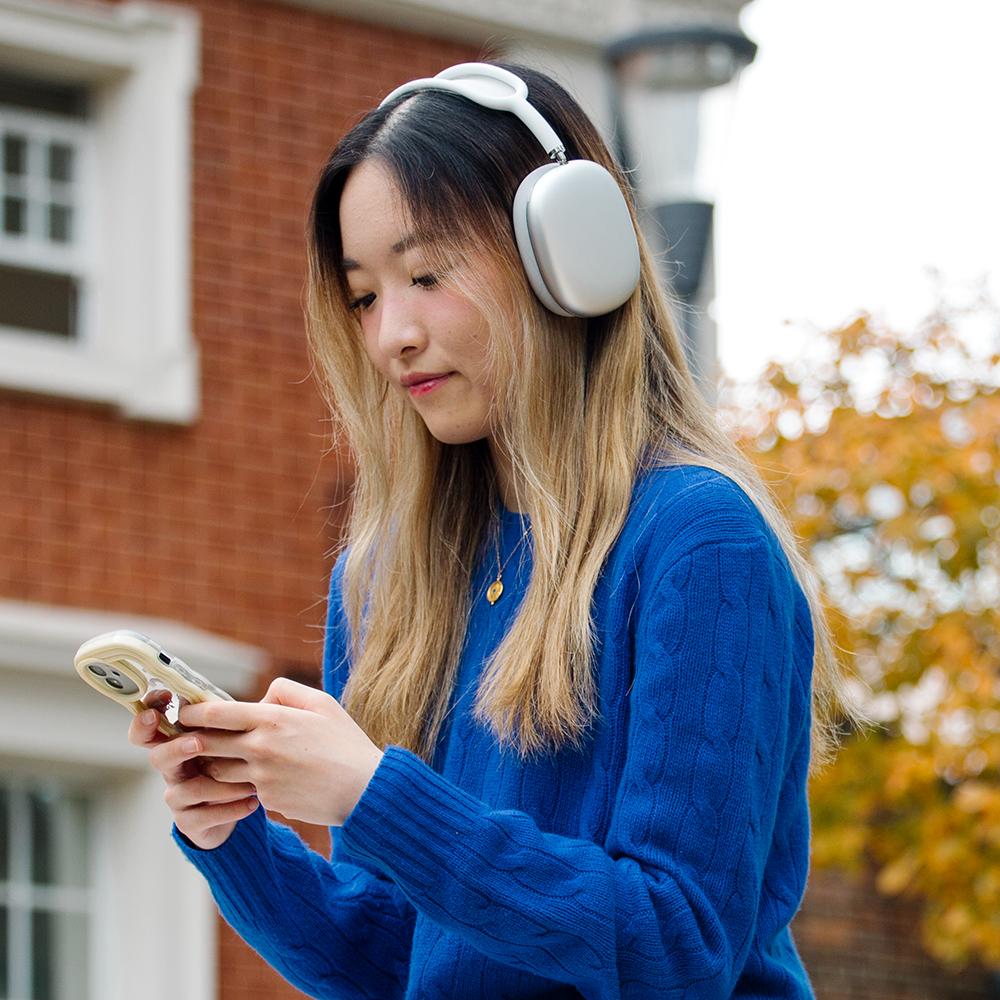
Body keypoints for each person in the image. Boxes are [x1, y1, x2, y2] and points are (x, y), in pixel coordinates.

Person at [129, 60, 857, 999]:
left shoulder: (699, 543)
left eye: (426, 274)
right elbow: (401, 963)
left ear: (567, 259)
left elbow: (677, 949)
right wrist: (231, 839)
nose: (392, 333)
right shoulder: (385, 581)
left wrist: (370, 795)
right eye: (362, 295)